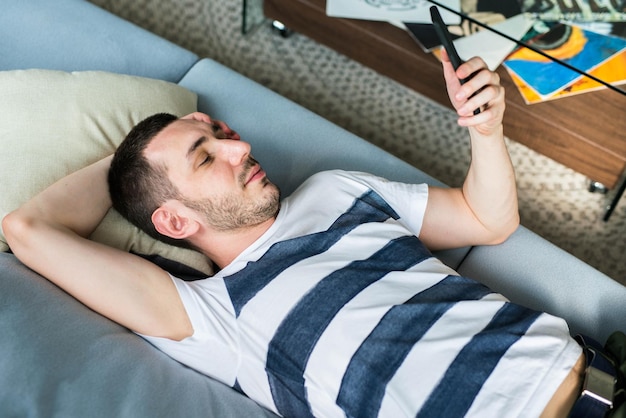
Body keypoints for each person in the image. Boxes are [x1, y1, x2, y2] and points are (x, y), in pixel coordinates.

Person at [0, 52, 610, 417]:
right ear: (175, 222)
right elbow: (27, 229)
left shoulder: (333, 190)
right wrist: (131, 161)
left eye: (221, 132)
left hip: (598, 370)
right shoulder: (208, 315)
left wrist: (486, 129)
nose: (239, 146)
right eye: (207, 157)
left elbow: (487, 220)